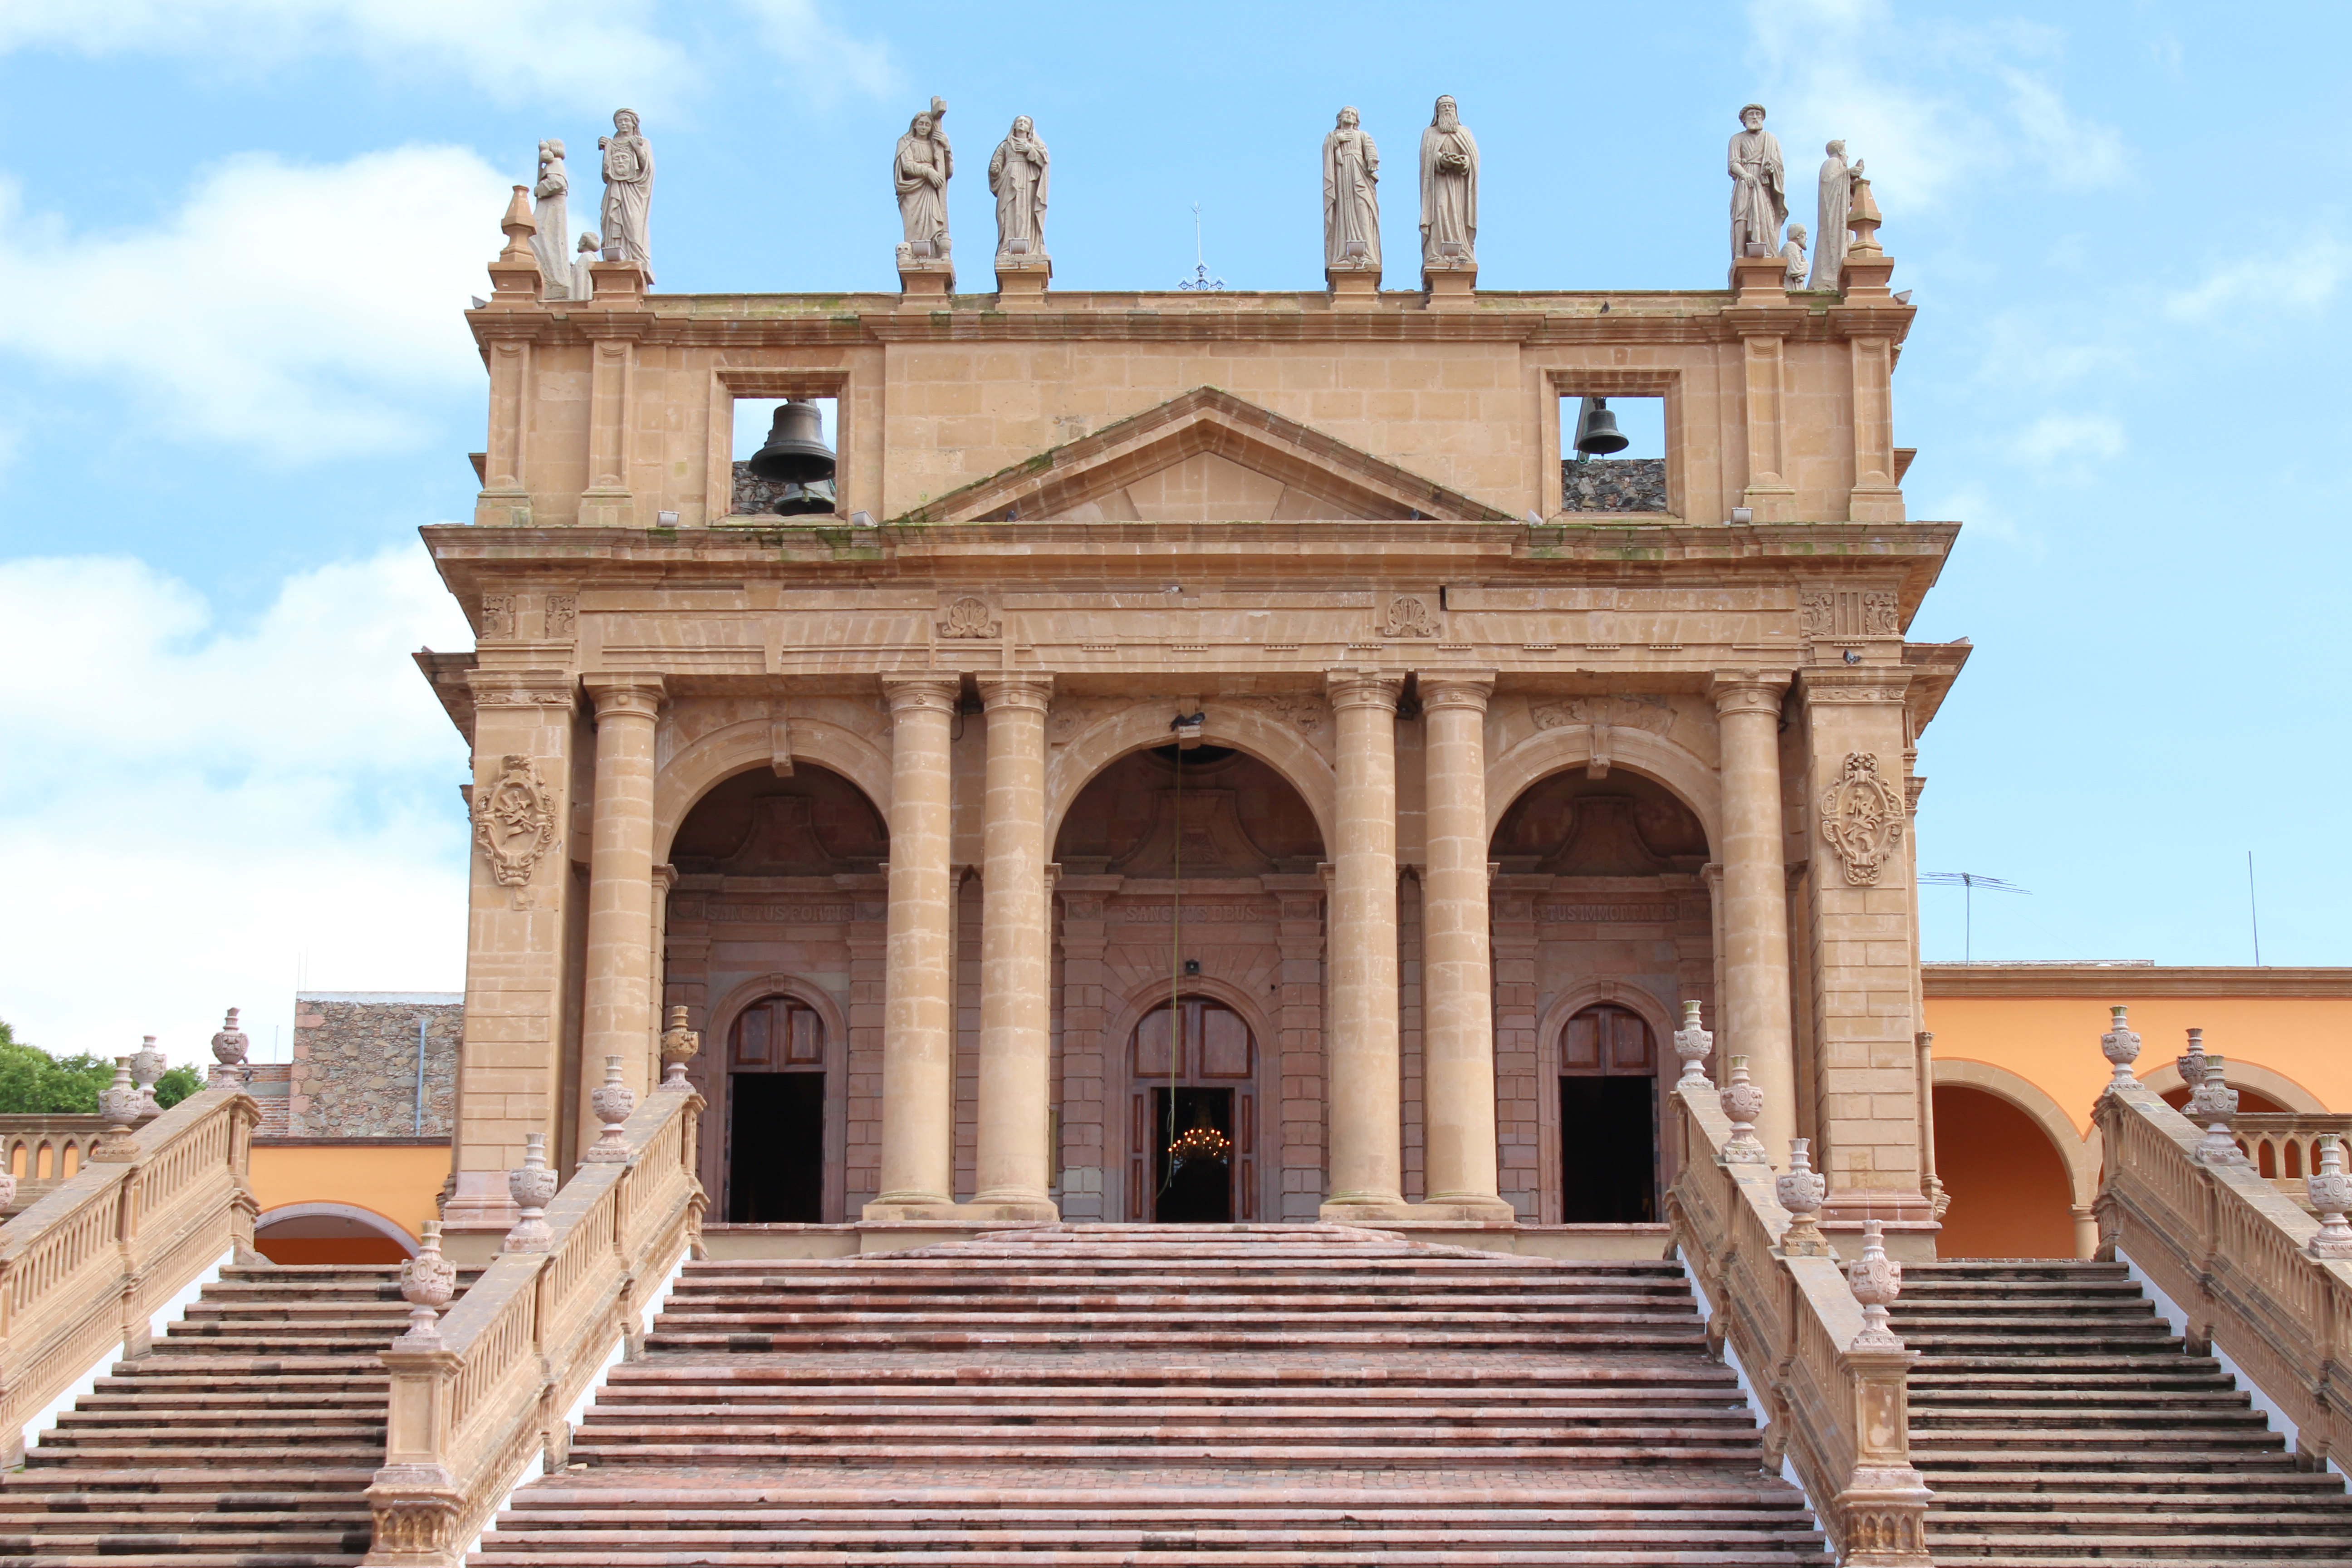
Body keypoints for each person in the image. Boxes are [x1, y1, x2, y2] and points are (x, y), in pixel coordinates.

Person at [1418, 95, 1479, 267]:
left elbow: (1473, 158)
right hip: (1440, 183)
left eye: (1450, 106)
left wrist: (1464, 162)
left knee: (1457, 215)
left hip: (1459, 185)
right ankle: (1437, 252)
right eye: (1443, 106)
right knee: (1441, 209)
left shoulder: (1464, 133)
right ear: (1437, 112)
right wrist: (1441, 160)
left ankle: (1461, 252)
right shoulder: (1430, 133)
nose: (1447, 109)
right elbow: (1427, 158)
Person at [1322, 107, 1380, 272]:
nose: (1349, 116)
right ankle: (1343, 254)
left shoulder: (1362, 135)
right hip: (1342, 178)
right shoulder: (1332, 136)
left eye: (1353, 115)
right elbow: (1327, 149)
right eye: (1346, 114)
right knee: (1343, 211)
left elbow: (1370, 150)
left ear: (1357, 121)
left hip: (1360, 173)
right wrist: (1335, 141)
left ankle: (1367, 254)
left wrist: (1371, 161)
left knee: (1362, 207)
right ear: (1339, 118)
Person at [598, 110, 653, 281]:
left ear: (634, 124)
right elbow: (606, 174)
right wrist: (606, 149)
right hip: (615, 189)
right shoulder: (612, 143)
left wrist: (638, 150)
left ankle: (637, 259)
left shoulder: (642, 142)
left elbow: (647, 169)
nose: (623, 124)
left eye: (626, 121)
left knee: (634, 224)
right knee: (611, 220)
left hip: (634, 191)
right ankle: (614, 256)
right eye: (619, 121)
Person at [1727, 103, 1785, 259]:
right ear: (1744, 119)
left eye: (1758, 115)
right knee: (1742, 214)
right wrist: (1745, 175)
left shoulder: (1770, 139)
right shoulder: (1737, 139)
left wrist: (1770, 169)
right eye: (1751, 114)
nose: (1755, 117)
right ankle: (1740, 254)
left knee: (1764, 213)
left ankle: (1764, 249)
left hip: (1763, 182)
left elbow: (1778, 164)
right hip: (1745, 181)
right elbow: (1733, 163)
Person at [895, 100, 952, 257]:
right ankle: (914, 253)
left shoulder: (935, 145)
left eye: (928, 125)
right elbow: (907, 165)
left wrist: (946, 148)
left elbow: (947, 171)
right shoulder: (906, 142)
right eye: (921, 124)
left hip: (930, 190)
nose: (924, 127)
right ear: (914, 125)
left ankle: (934, 253)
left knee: (933, 220)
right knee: (915, 222)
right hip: (913, 189)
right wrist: (928, 172)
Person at [1807, 141, 1865, 291]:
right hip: (1833, 214)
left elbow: (1839, 182)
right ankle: (1831, 278)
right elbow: (1829, 182)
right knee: (1833, 242)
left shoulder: (1839, 165)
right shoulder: (1833, 162)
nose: (1847, 155)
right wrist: (1848, 174)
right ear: (1839, 150)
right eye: (1845, 150)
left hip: (1840, 212)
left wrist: (1851, 179)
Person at [988, 116, 1049, 257]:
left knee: (1025, 211)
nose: (1022, 124)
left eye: (1025, 122)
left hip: (1028, 182)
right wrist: (995, 170)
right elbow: (996, 164)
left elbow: (1044, 162)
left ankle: (1027, 246)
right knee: (1008, 211)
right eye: (1019, 122)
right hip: (1008, 180)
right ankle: (1006, 247)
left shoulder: (1036, 145)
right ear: (1014, 126)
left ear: (1030, 129)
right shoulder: (1005, 145)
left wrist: (1030, 151)